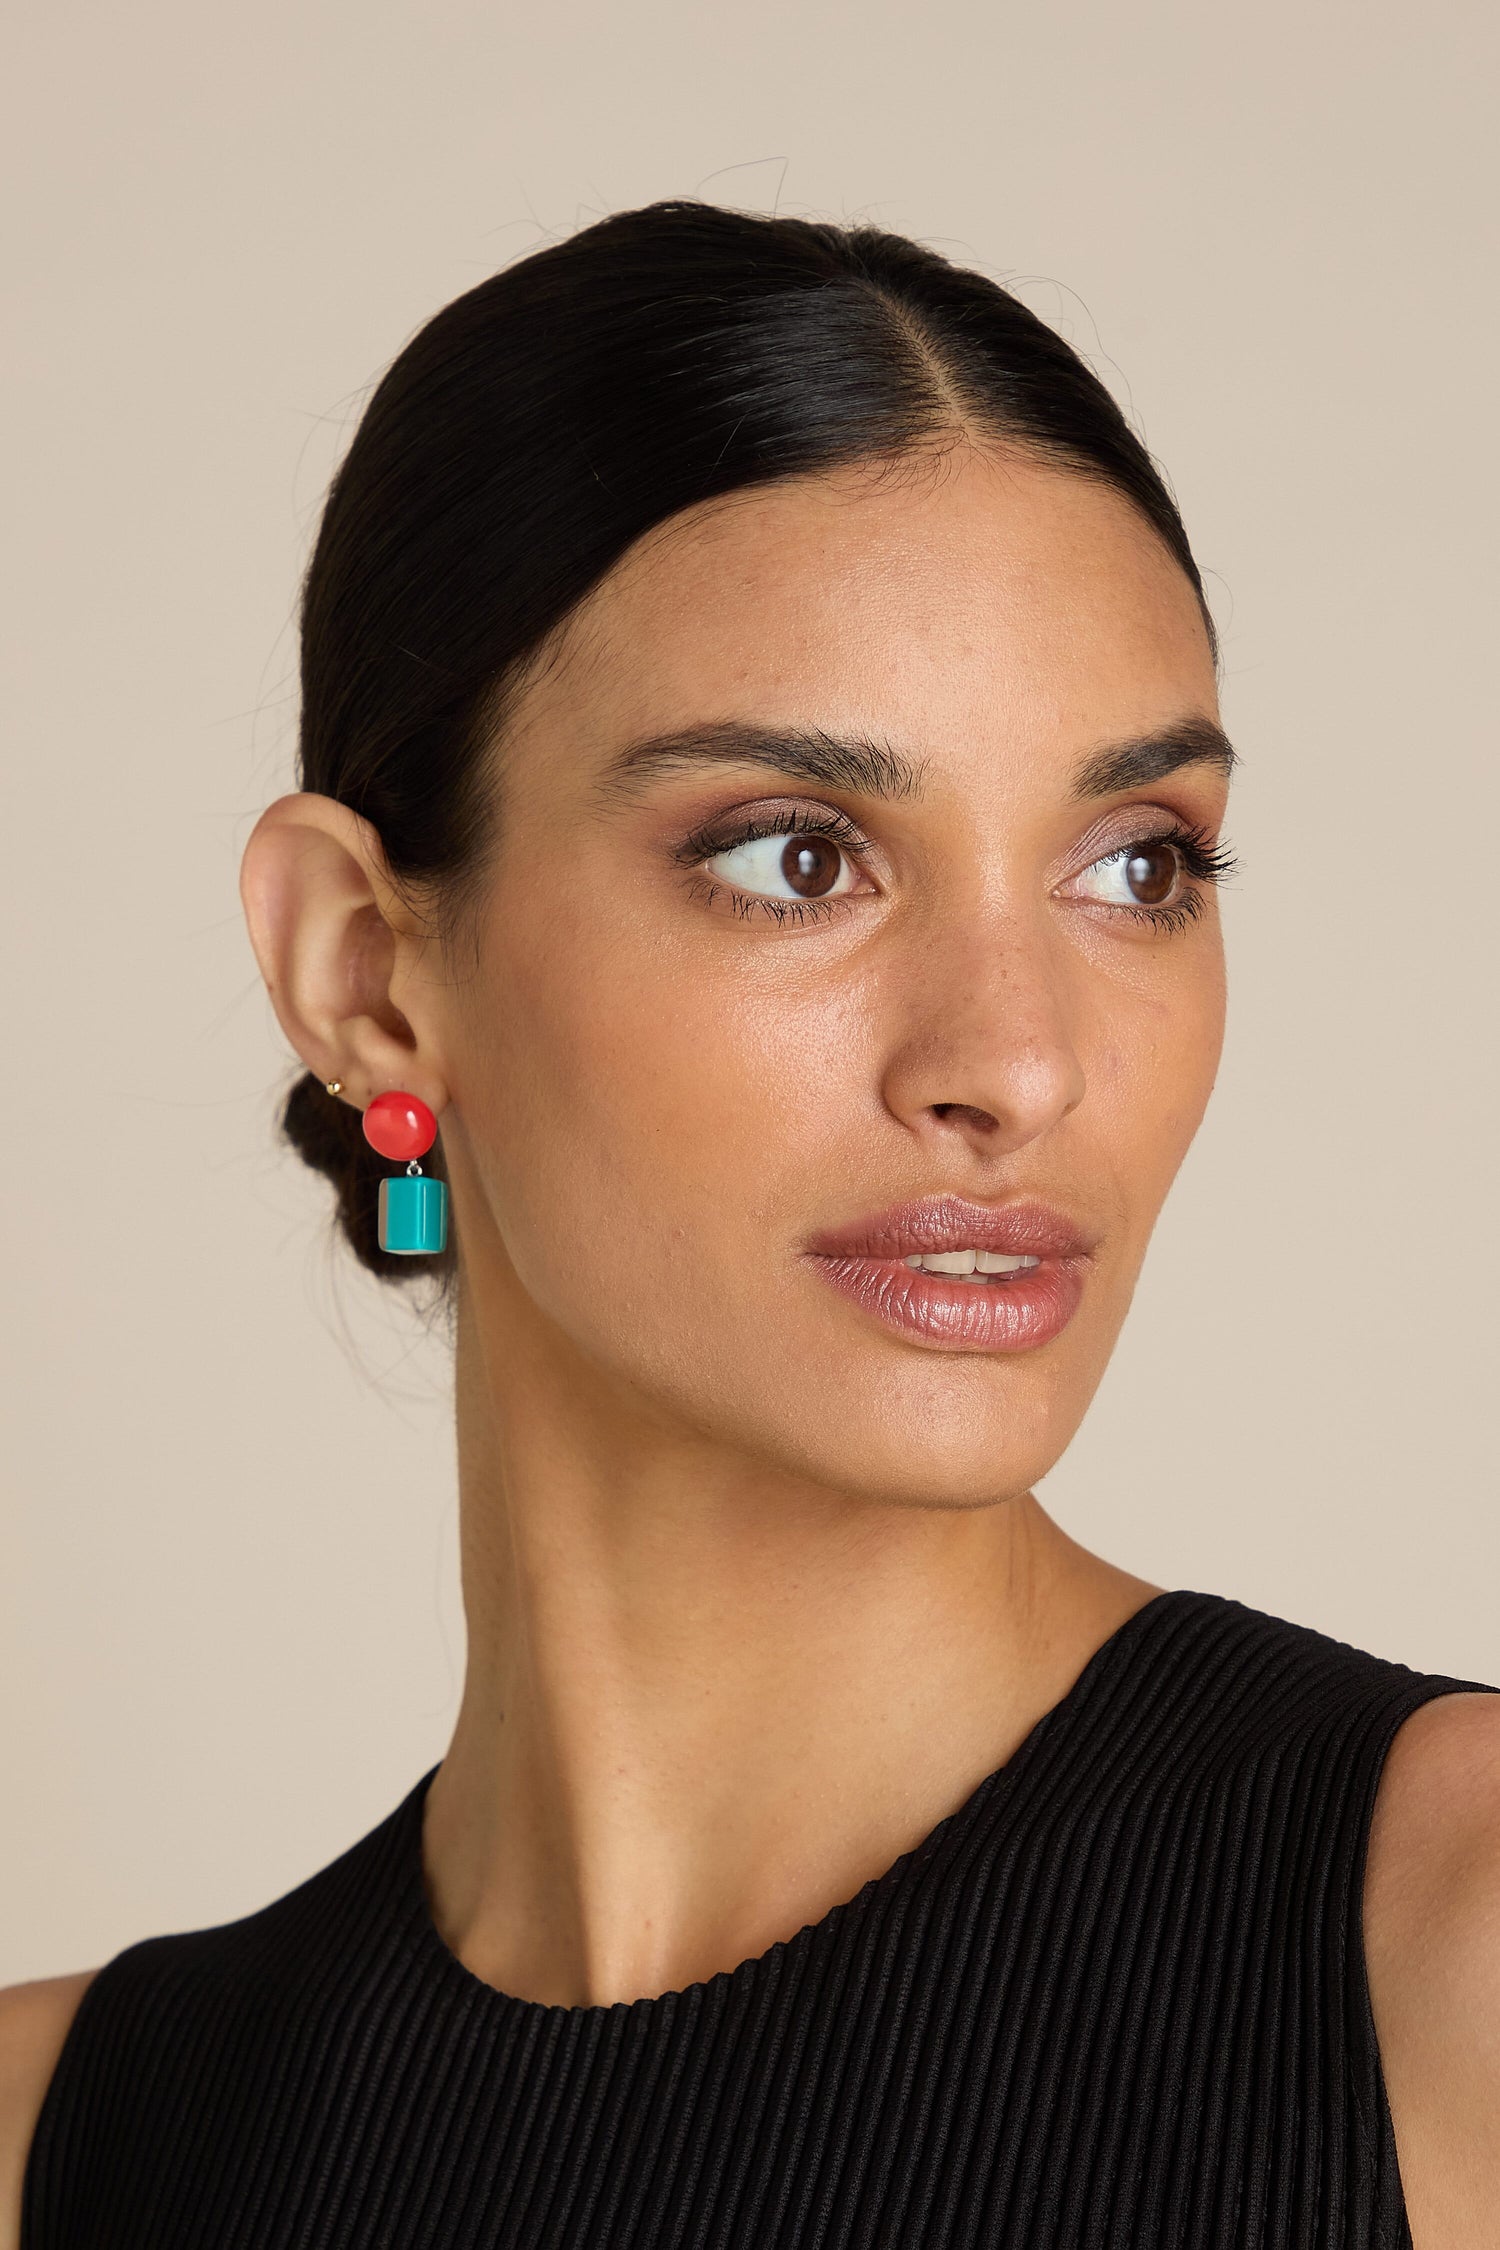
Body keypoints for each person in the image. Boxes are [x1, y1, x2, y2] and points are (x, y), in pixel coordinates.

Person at [3, 200, 1496, 2249]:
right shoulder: (61, 2146)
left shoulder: (1456, 1959)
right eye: (800, 857)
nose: (1016, 1062)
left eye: (1138, 866)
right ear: (365, 969)